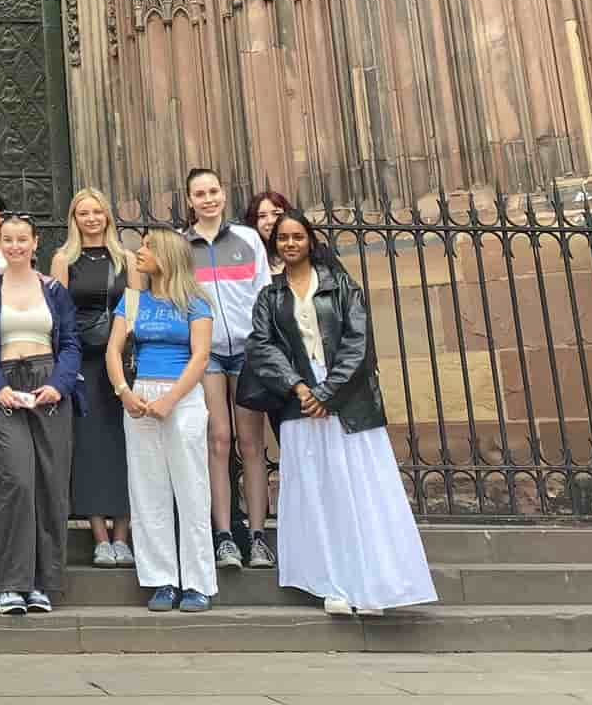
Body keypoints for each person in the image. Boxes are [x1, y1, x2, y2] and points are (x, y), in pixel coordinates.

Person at [246, 211, 436, 616]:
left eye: (297, 236)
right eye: (283, 238)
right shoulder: (269, 296)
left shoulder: (342, 286)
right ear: (274, 245)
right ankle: (329, 581)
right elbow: (262, 346)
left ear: (311, 240)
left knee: (358, 490)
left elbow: (358, 342)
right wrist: (297, 387)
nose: (290, 243)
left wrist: (328, 393)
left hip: (347, 402)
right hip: (298, 401)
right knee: (316, 492)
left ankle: (372, 584)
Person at [0, 215, 80, 615]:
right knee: (17, 480)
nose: (14, 246)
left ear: (35, 244)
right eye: (8, 240)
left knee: (50, 483)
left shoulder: (53, 289)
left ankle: (46, 582)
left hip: (48, 383)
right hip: (5, 386)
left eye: (21, 240)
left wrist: (59, 385)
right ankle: (13, 582)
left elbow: (70, 343)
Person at [108, 230, 216, 613]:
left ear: (167, 255)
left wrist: (171, 399)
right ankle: (162, 579)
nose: (140, 251)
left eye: (149, 246)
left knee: (191, 489)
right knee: (148, 490)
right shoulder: (133, 299)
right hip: (139, 396)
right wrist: (124, 391)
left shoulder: (195, 301)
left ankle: (198, 582)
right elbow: (113, 350)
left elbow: (201, 356)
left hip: (182, 397)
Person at [181, 168, 274, 570]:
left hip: (248, 349)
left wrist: (264, 342)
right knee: (218, 440)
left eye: (213, 191)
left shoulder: (248, 238)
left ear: (224, 194)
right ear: (189, 201)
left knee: (251, 444)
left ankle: (256, 535)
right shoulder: (182, 246)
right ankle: (223, 535)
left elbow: (264, 292)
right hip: (208, 352)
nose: (208, 199)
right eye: (199, 193)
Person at [49, 189, 135, 568]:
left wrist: (123, 350)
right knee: (89, 447)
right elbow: (58, 317)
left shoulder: (127, 259)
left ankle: (124, 535)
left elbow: (134, 309)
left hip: (120, 359)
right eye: (83, 212)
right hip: (83, 361)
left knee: (124, 446)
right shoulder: (64, 260)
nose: (91, 218)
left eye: (97, 211)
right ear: (74, 218)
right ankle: (100, 536)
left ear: (108, 216)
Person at [242, 189, 294, 279]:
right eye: (262, 216)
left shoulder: (312, 254)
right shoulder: (247, 261)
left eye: (276, 214)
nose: (270, 221)